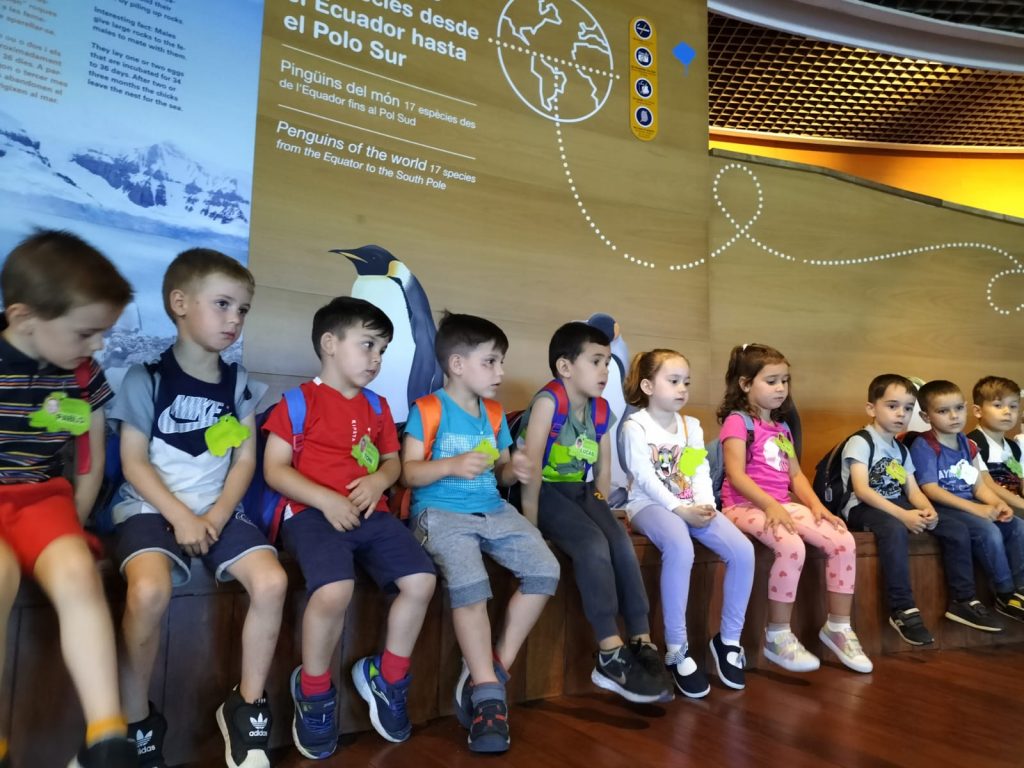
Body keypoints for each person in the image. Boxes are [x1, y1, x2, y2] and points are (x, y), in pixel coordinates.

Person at [111, 249, 287, 768]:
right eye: (223, 304)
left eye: (243, 309)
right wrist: (181, 517)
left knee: (272, 582)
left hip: (219, 511)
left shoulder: (239, 384)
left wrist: (213, 516)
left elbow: (245, 461)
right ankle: (135, 722)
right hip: (149, 508)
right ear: (180, 303)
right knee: (149, 590)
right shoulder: (145, 378)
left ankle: (247, 709)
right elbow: (133, 463)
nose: (235, 319)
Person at [263, 297, 436, 759]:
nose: (376, 358)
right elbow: (275, 469)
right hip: (310, 515)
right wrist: (325, 499)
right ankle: (314, 690)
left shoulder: (378, 406)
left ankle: (388, 678)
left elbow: (392, 462)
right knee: (335, 589)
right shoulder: (298, 402)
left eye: (382, 349)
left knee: (422, 580)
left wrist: (379, 480)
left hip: (371, 515)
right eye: (368, 345)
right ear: (329, 343)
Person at [0, 230, 135, 767]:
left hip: (43, 500)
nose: (97, 345)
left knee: (78, 572)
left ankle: (106, 737)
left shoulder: (83, 374)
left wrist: (71, 528)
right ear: (24, 318)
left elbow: (90, 459)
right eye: (86, 332)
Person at [402, 312, 559, 753]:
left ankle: (489, 671)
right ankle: (490, 698)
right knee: (471, 583)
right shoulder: (428, 409)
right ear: (457, 364)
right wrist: (451, 465)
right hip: (439, 513)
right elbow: (408, 474)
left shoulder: (493, 414)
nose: (500, 372)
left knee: (545, 569)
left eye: (500, 361)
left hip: (492, 510)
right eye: (490, 362)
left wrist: (515, 468)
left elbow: (500, 472)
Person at [517, 322, 670, 703]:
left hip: (580, 492)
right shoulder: (549, 403)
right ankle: (609, 651)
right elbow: (530, 470)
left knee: (619, 542)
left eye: (607, 362)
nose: (605, 371)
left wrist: (601, 507)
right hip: (545, 491)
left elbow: (601, 471)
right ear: (565, 367)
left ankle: (641, 638)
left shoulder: (600, 409)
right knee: (591, 544)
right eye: (596, 361)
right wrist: (530, 527)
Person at [718, 343, 871, 674]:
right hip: (742, 506)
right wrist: (770, 505)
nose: (781, 388)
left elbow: (796, 475)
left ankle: (838, 627)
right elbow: (736, 475)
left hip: (781, 504)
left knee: (843, 539)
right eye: (771, 381)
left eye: (785, 381)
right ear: (745, 384)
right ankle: (777, 635)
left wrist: (817, 507)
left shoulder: (782, 427)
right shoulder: (737, 422)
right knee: (791, 545)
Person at [620, 349, 754, 697]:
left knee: (743, 551)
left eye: (686, 382)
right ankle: (676, 648)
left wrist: (705, 506)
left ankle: (728, 641)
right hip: (649, 506)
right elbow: (645, 477)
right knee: (680, 546)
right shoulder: (635, 426)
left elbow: (697, 470)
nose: (682, 389)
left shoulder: (690, 426)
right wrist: (680, 510)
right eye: (673, 381)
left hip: (690, 506)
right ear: (648, 386)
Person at [839, 374, 996, 644]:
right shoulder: (861, 441)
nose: (901, 413)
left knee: (955, 528)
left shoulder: (901, 449)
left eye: (908, 407)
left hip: (897, 504)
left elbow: (913, 491)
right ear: (871, 408)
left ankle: (964, 599)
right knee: (893, 529)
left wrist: (928, 511)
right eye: (892, 406)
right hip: (862, 507)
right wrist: (904, 515)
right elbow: (862, 490)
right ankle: (902, 608)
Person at [911, 379, 1024, 623]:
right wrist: (976, 509)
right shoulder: (924, 445)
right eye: (943, 411)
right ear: (926, 416)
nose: (954, 416)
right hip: (945, 508)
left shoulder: (967, 443)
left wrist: (998, 504)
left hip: (970, 505)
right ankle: (1005, 593)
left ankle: (1020, 589)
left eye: (958, 408)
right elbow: (930, 489)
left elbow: (979, 485)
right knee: (988, 531)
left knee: (1016, 525)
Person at [967, 376, 1024, 517]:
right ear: (978, 411)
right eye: (998, 405)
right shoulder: (972, 443)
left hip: (1016, 504)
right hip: (991, 507)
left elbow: (1021, 480)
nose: (1007, 411)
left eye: (1013, 406)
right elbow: (986, 484)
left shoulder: (1014, 446)